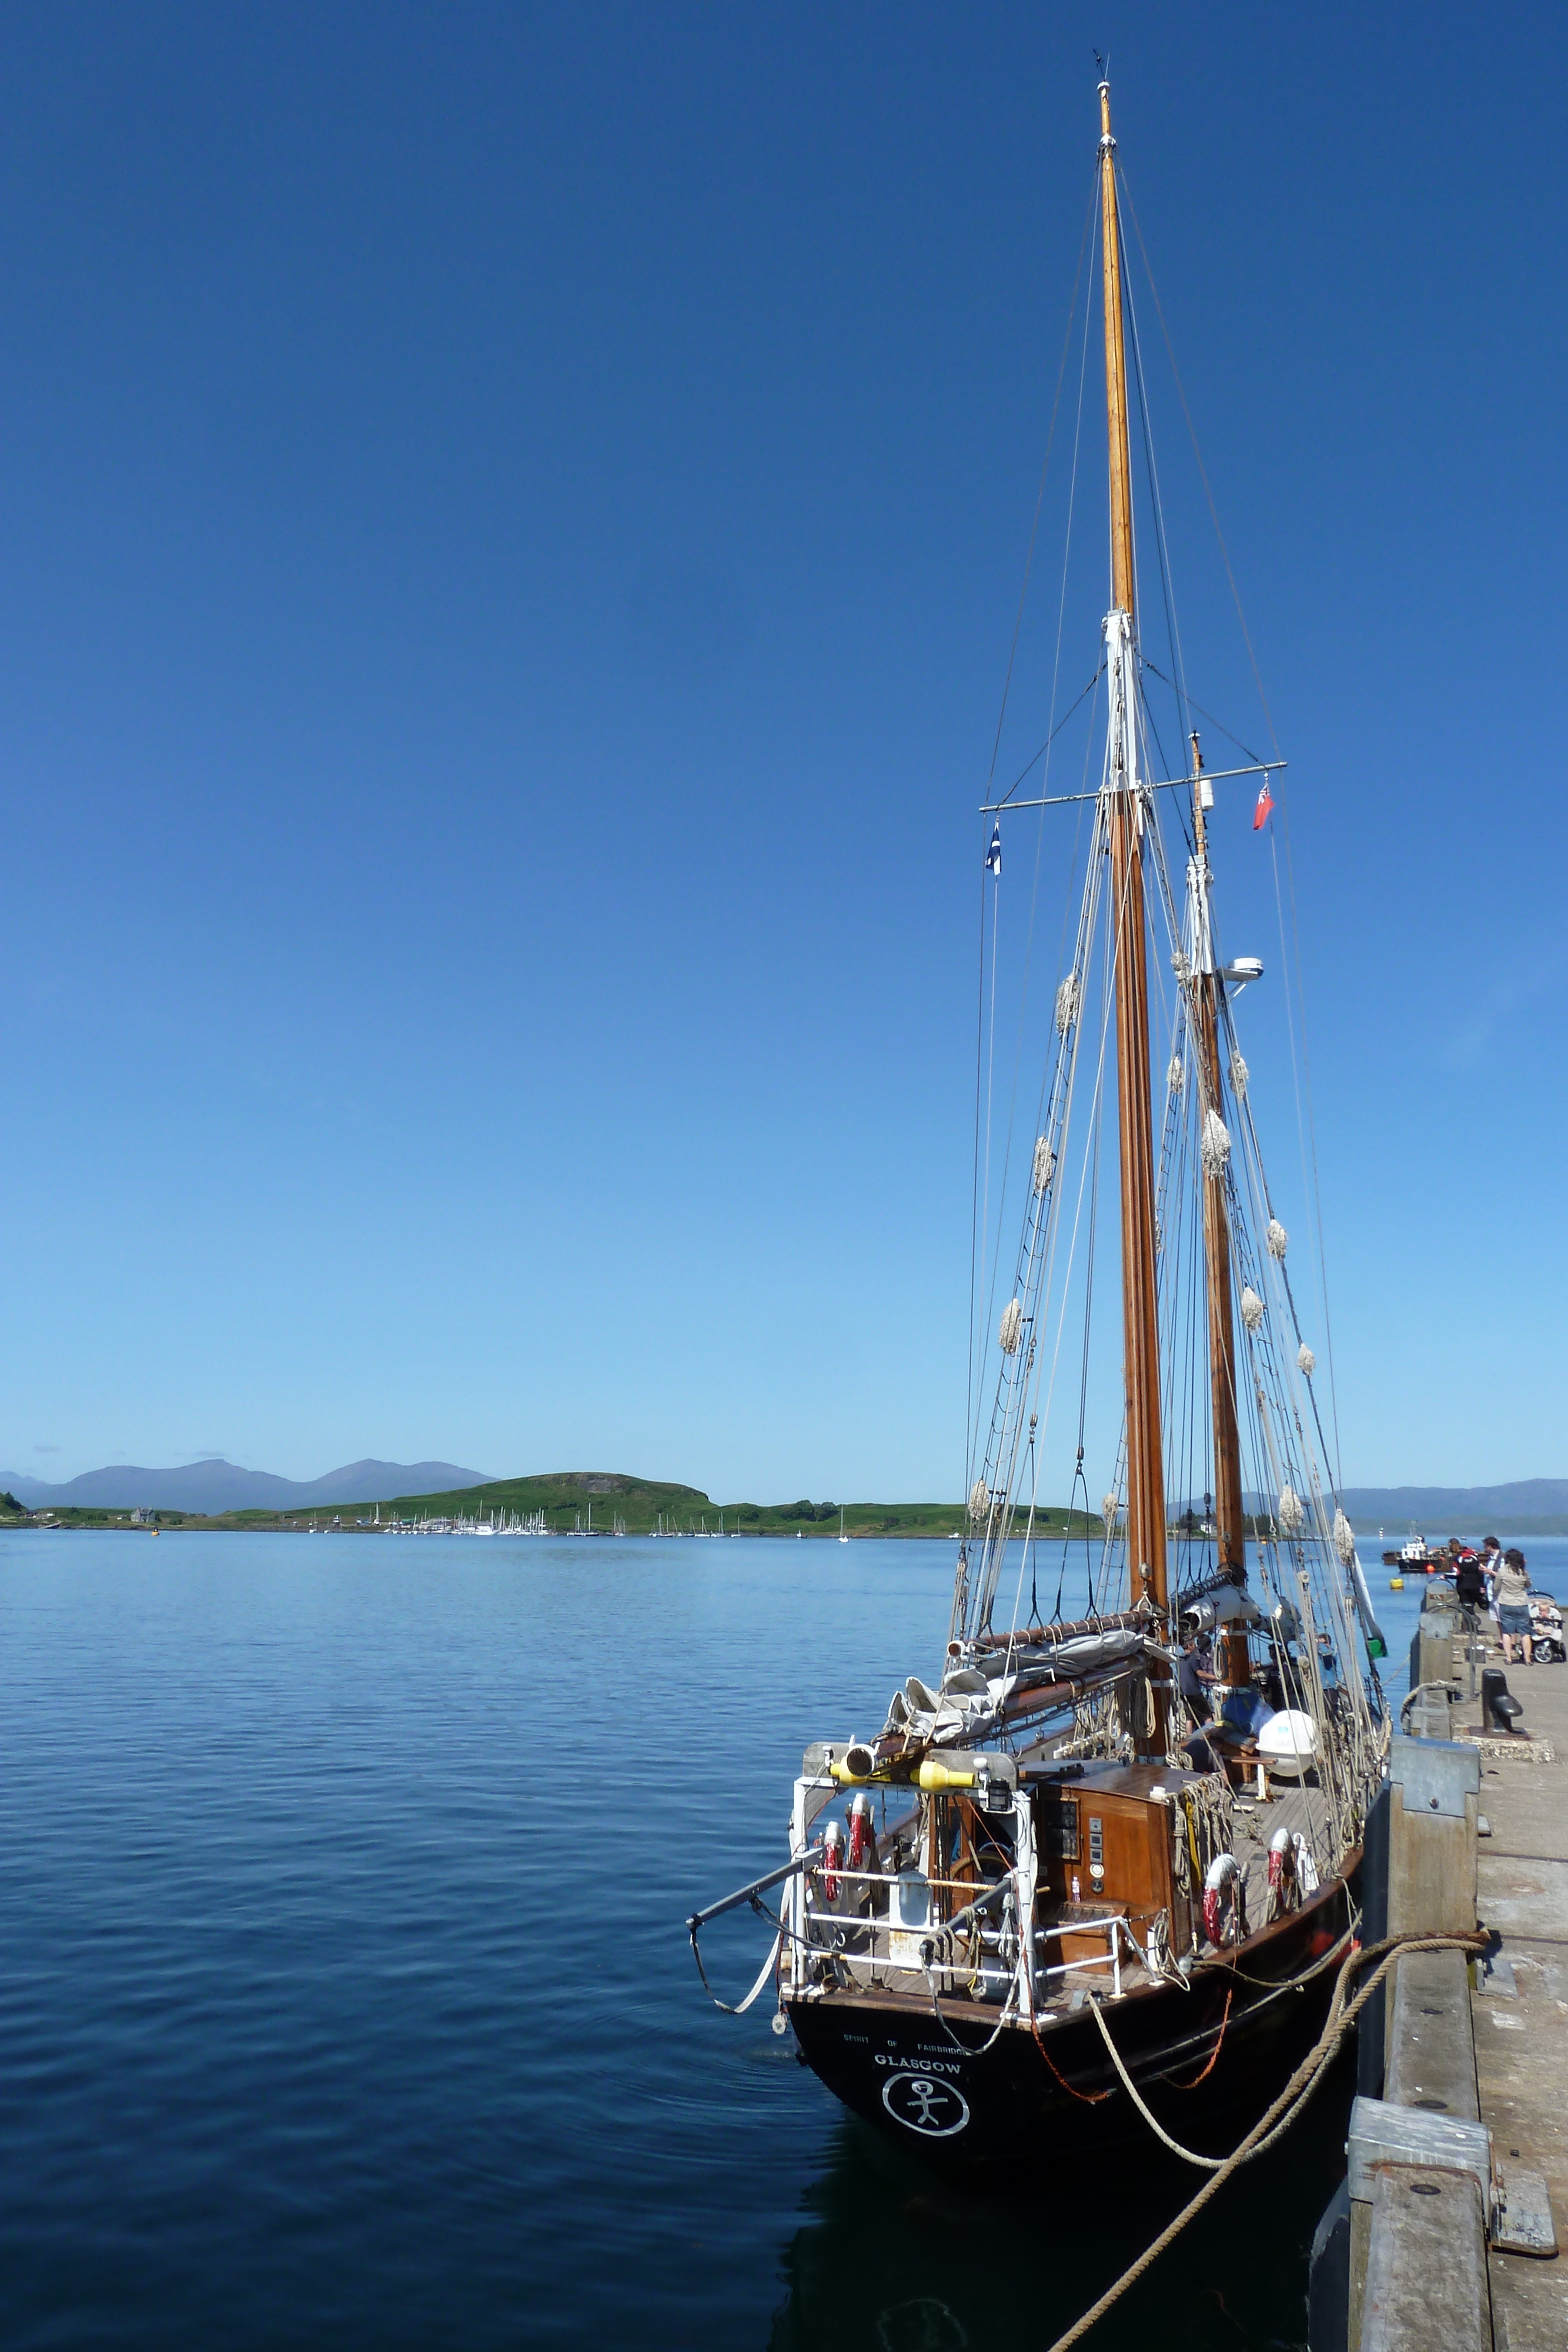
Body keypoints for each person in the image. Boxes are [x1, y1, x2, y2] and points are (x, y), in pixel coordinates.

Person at [1496, 1546, 1534, 1666]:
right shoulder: (1523, 1572)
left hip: (1506, 1602)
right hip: (1521, 1603)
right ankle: (1527, 1659)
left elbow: (1496, 1587)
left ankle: (1509, 1658)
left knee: (1507, 1631)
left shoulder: (1502, 1571)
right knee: (1525, 1632)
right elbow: (1528, 1585)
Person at [1178, 1634, 1216, 1724]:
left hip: (1184, 1692)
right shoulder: (1192, 1658)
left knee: (1189, 1717)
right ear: (1189, 1646)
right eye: (1193, 1645)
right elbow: (1200, 1674)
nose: (1195, 1647)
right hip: (1195, 1691)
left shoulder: (1179, 1659)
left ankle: (1189, 1737)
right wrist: (1216, 1678)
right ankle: (1210, 1736)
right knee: (1207, 1715)